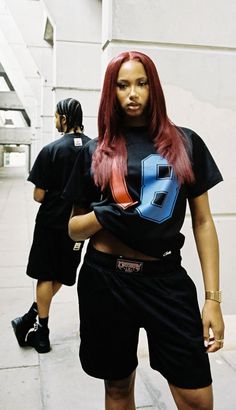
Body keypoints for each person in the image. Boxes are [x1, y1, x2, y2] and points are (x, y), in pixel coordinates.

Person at [64, 51, 224, 409]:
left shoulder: (185, 144)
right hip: (106, 281)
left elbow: (203, 221)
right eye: (123, 85)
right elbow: (74, 230)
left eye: (141, 83)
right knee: (118, 389)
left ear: (154, 89)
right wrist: (104, 215)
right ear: (112, 92)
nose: (132, 93)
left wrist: (213, 299)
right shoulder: (95, 152)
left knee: (197, 397)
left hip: (165, 279)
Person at [11, 98, 91, 354]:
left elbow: (38, 195)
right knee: (61, 273)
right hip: (80, 225)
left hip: (50, 223)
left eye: (56, 116)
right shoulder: (95, 148)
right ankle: (29, 319)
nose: (55, 120)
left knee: (45, 274)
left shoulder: (51, 150)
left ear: (65, 119)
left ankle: (41, 331)